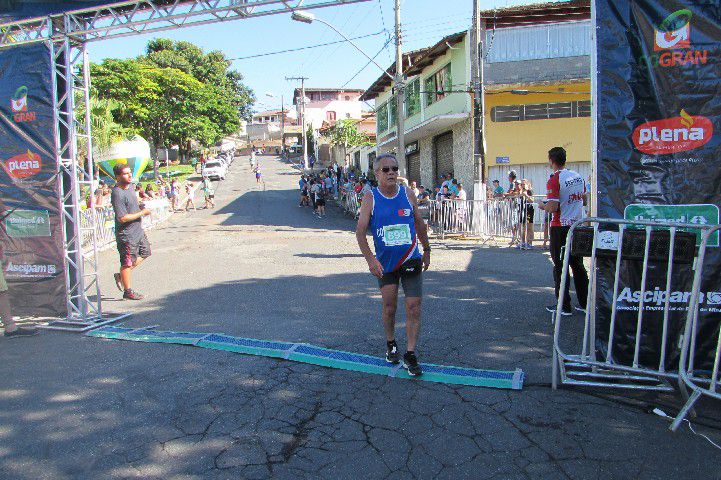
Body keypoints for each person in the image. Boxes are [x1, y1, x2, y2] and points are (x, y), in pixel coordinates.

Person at [355, 153, 431, 377]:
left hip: (410, 258)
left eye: (395, 169)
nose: (391, 173)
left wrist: (426, 249)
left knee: (414, 306)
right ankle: (391, 344)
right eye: (386, 169)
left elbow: (418, 223)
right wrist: (371, 259)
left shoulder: (407, 194)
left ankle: (410, 353)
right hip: (386, 263)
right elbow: (360, 232)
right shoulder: (371, 197)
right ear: (377, 174)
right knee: (389, 307)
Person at [538, 147, 589, 316]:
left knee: (560, 266)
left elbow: (553, 207)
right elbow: (584, 199)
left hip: (560, 227)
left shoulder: (555, 179)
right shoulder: (577, 176)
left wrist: (542, 205)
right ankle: (585, 303)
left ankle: (563, 306)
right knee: (578, 265)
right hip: (577, 226)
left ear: (551, 160)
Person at [111, 164, 152, 300]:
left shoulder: (130, 188)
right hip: (127, 234)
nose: (129, 175)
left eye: (130, 173)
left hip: (137, 230)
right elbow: (122, 217)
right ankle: (127, 291)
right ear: (117, 176)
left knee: (146, 252)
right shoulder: (117, 192)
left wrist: (141, 205)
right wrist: (142, 213)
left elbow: (132, 206)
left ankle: (121, 275)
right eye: (125, 174)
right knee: (127, 263)